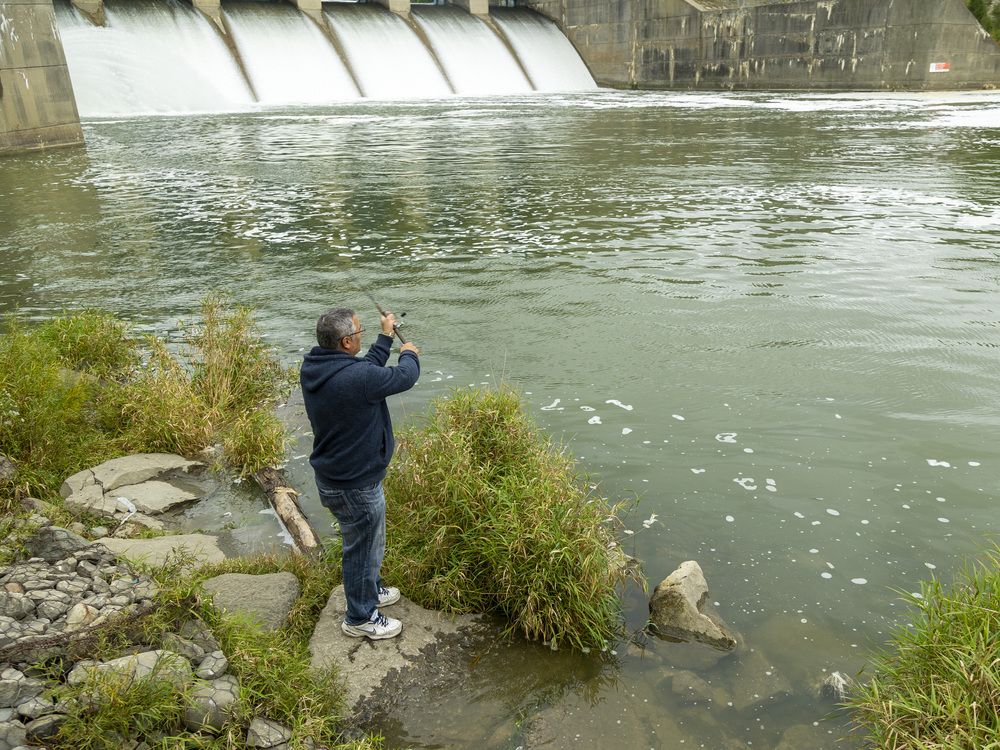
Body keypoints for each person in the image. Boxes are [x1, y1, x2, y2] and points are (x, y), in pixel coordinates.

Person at [300, 306, 420, 640]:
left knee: (369, 542)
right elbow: (404, 377)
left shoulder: (318, 367)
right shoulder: (356, 378)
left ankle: (370, 590)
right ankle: (360, 617)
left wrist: (384, 337)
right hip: (354, 485)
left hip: (341, 477)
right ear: (347, 343)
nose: (361, 336)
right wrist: (408, 353)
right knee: (361, 548)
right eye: (360, 333)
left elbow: (364, 371)